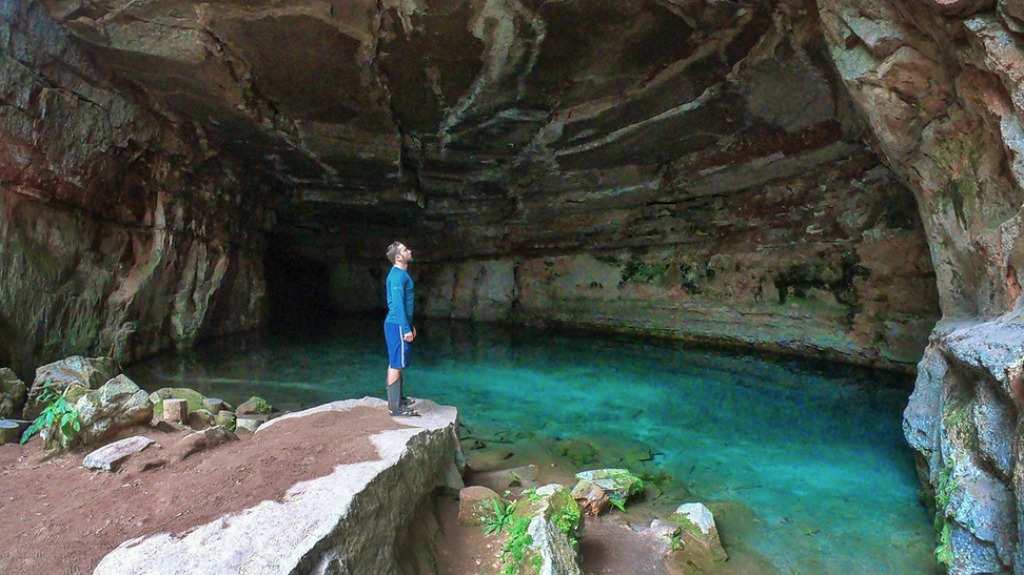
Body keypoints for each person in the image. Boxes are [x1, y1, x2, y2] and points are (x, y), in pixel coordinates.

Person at [384, 241, 419, 416]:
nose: (409, 250)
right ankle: (395, 408)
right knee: (397, 364)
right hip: (397, 324)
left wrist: (410, 326)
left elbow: (403, 304)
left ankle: (397, 399)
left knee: (397, 362)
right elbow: (397, 304)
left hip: (399, 323)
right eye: (405, 249)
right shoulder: (397, 276)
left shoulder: (399, 275)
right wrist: (405, 328)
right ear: (398, 257)